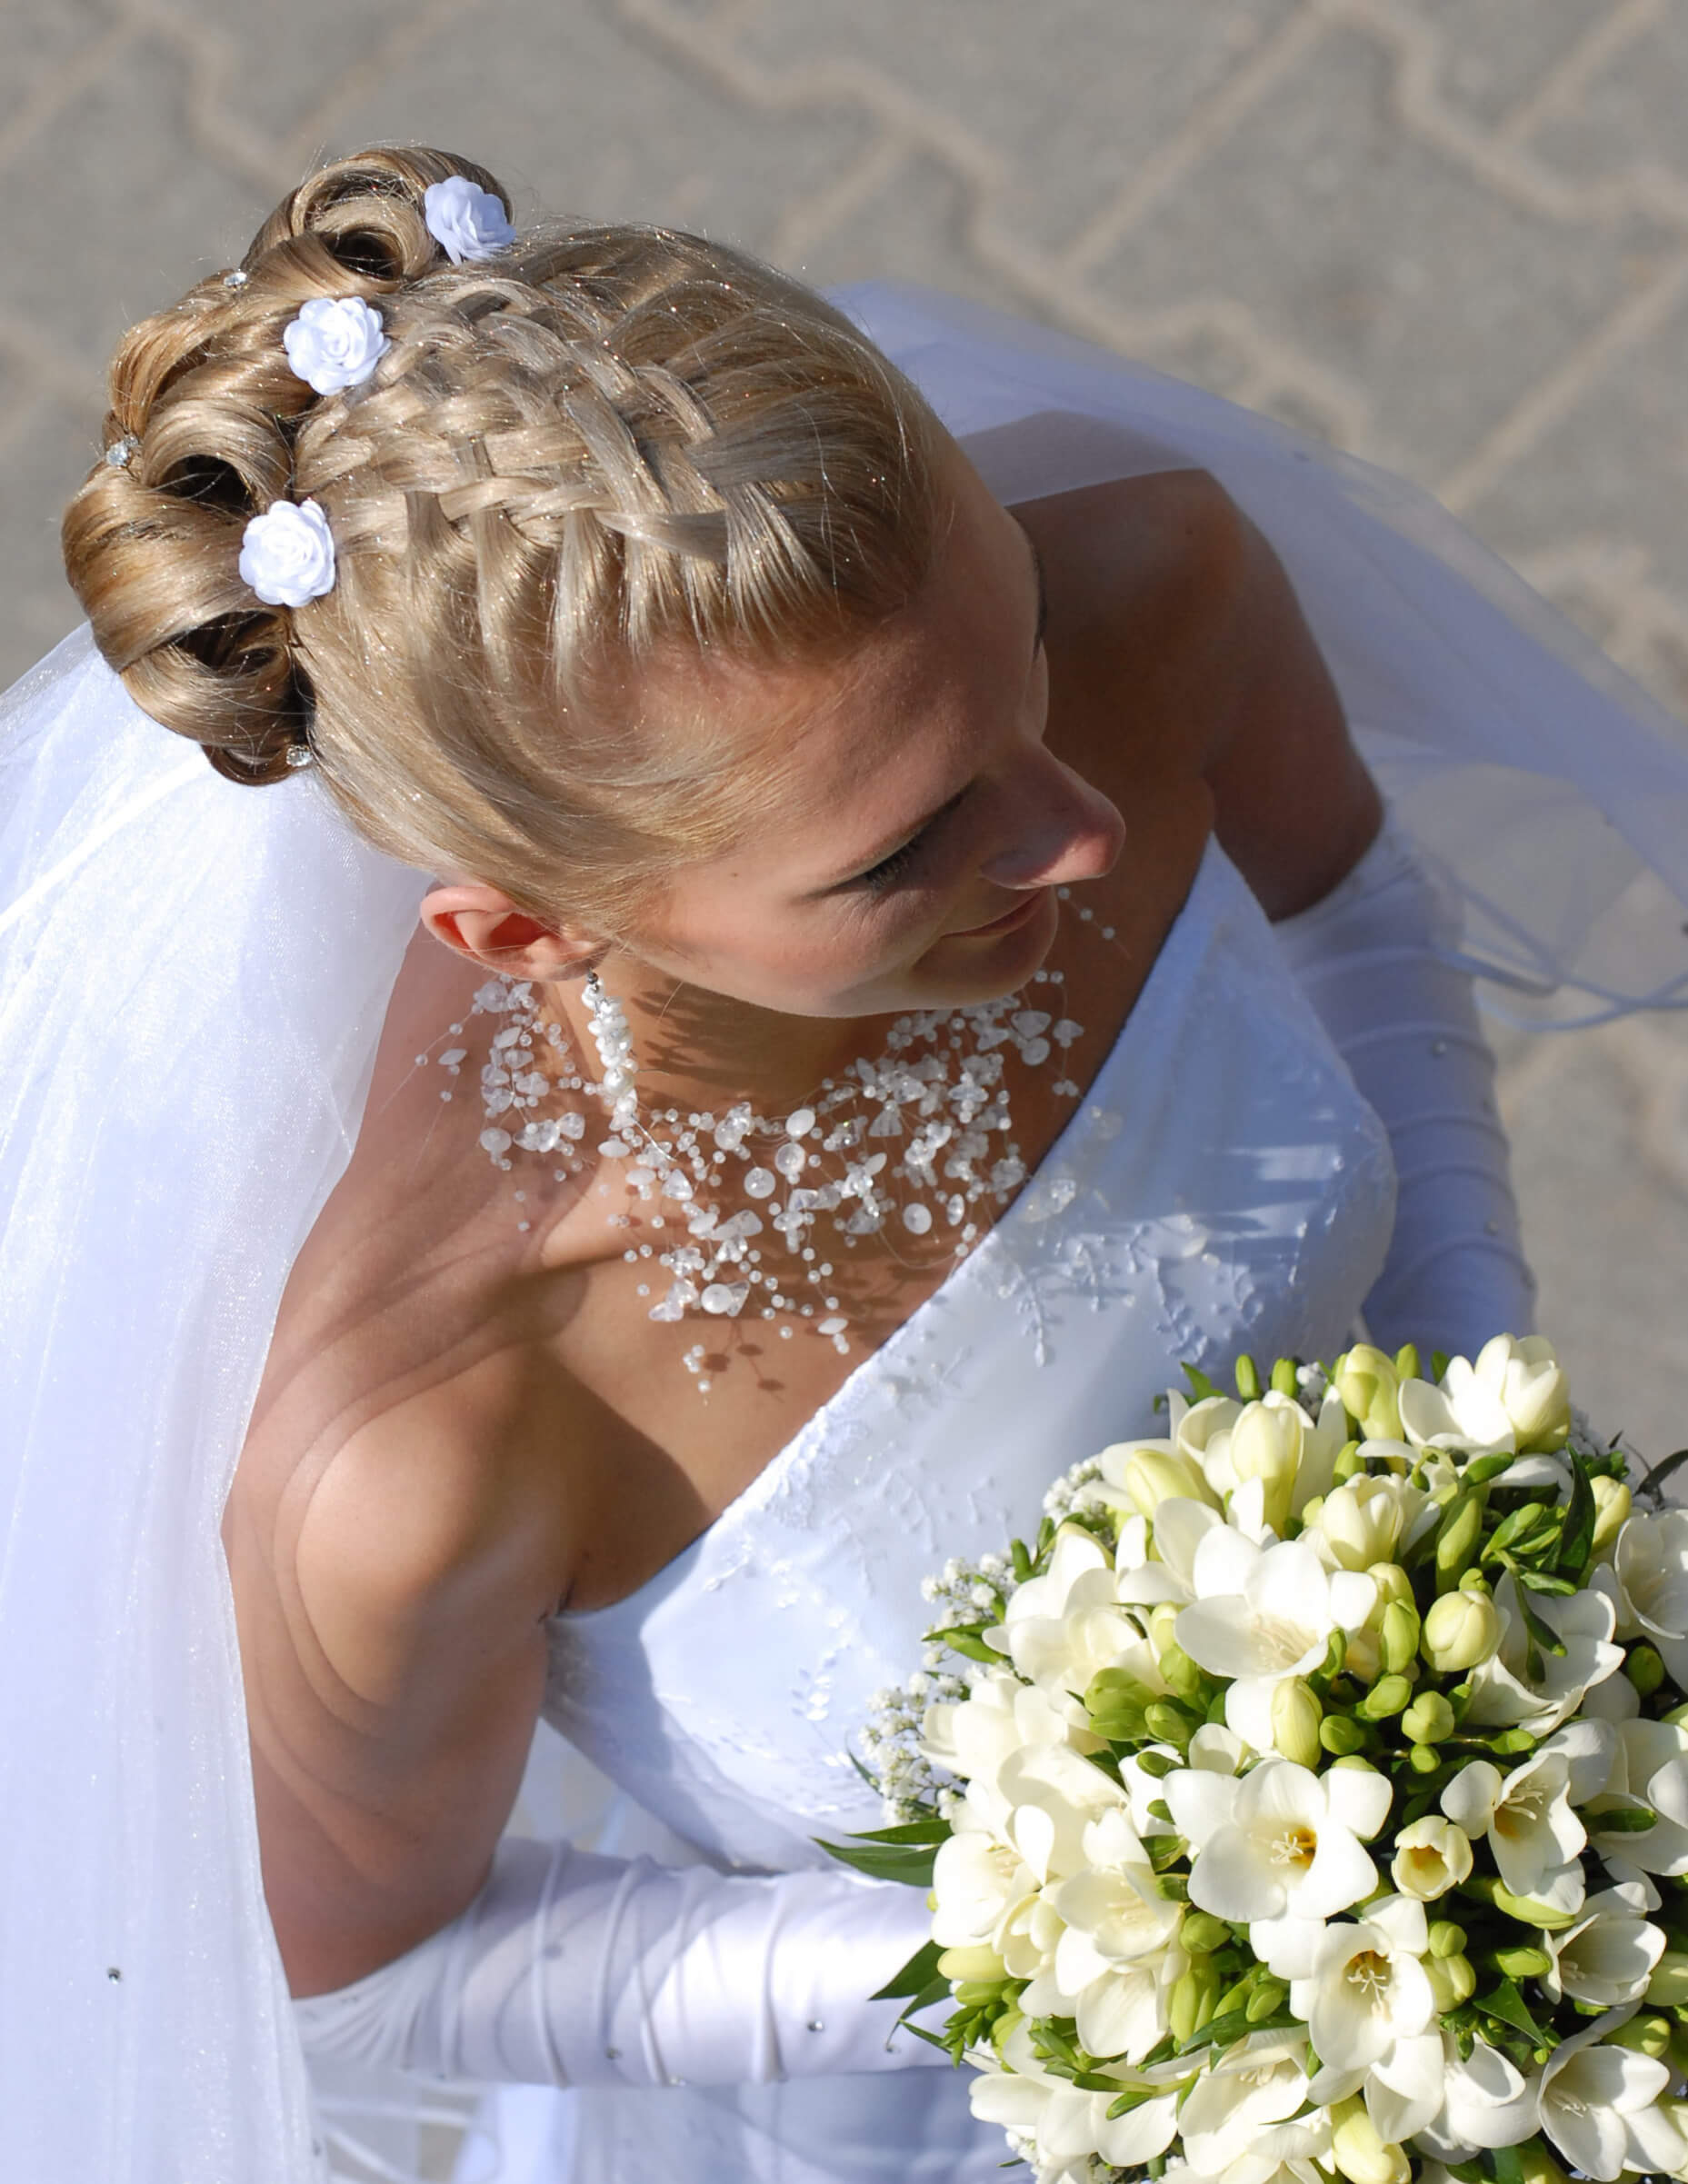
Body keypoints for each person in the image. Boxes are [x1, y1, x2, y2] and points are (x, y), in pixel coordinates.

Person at [5, 144, 1688, 2184]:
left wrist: (1476, 1426)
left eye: (1018, 672)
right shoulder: (421, 1442)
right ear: (526, 930)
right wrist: (1061, 1935)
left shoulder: (1156, 591)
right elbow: (362, 1969)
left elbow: (1351, 913)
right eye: (897, 848)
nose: (1075, 829)